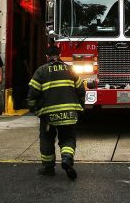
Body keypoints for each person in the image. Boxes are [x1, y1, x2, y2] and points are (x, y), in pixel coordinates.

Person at [27, 43, 85, 179]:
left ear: (47, 57)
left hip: (48, 116)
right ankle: (66, 158)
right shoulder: (71, 70)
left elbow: (32, 94)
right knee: (68, 138)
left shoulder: (41, 71)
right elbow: (81, 91)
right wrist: (80, 107)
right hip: (70, 114)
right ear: (59, 56)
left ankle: (48, 168)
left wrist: (34, 109)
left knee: (47, 139)